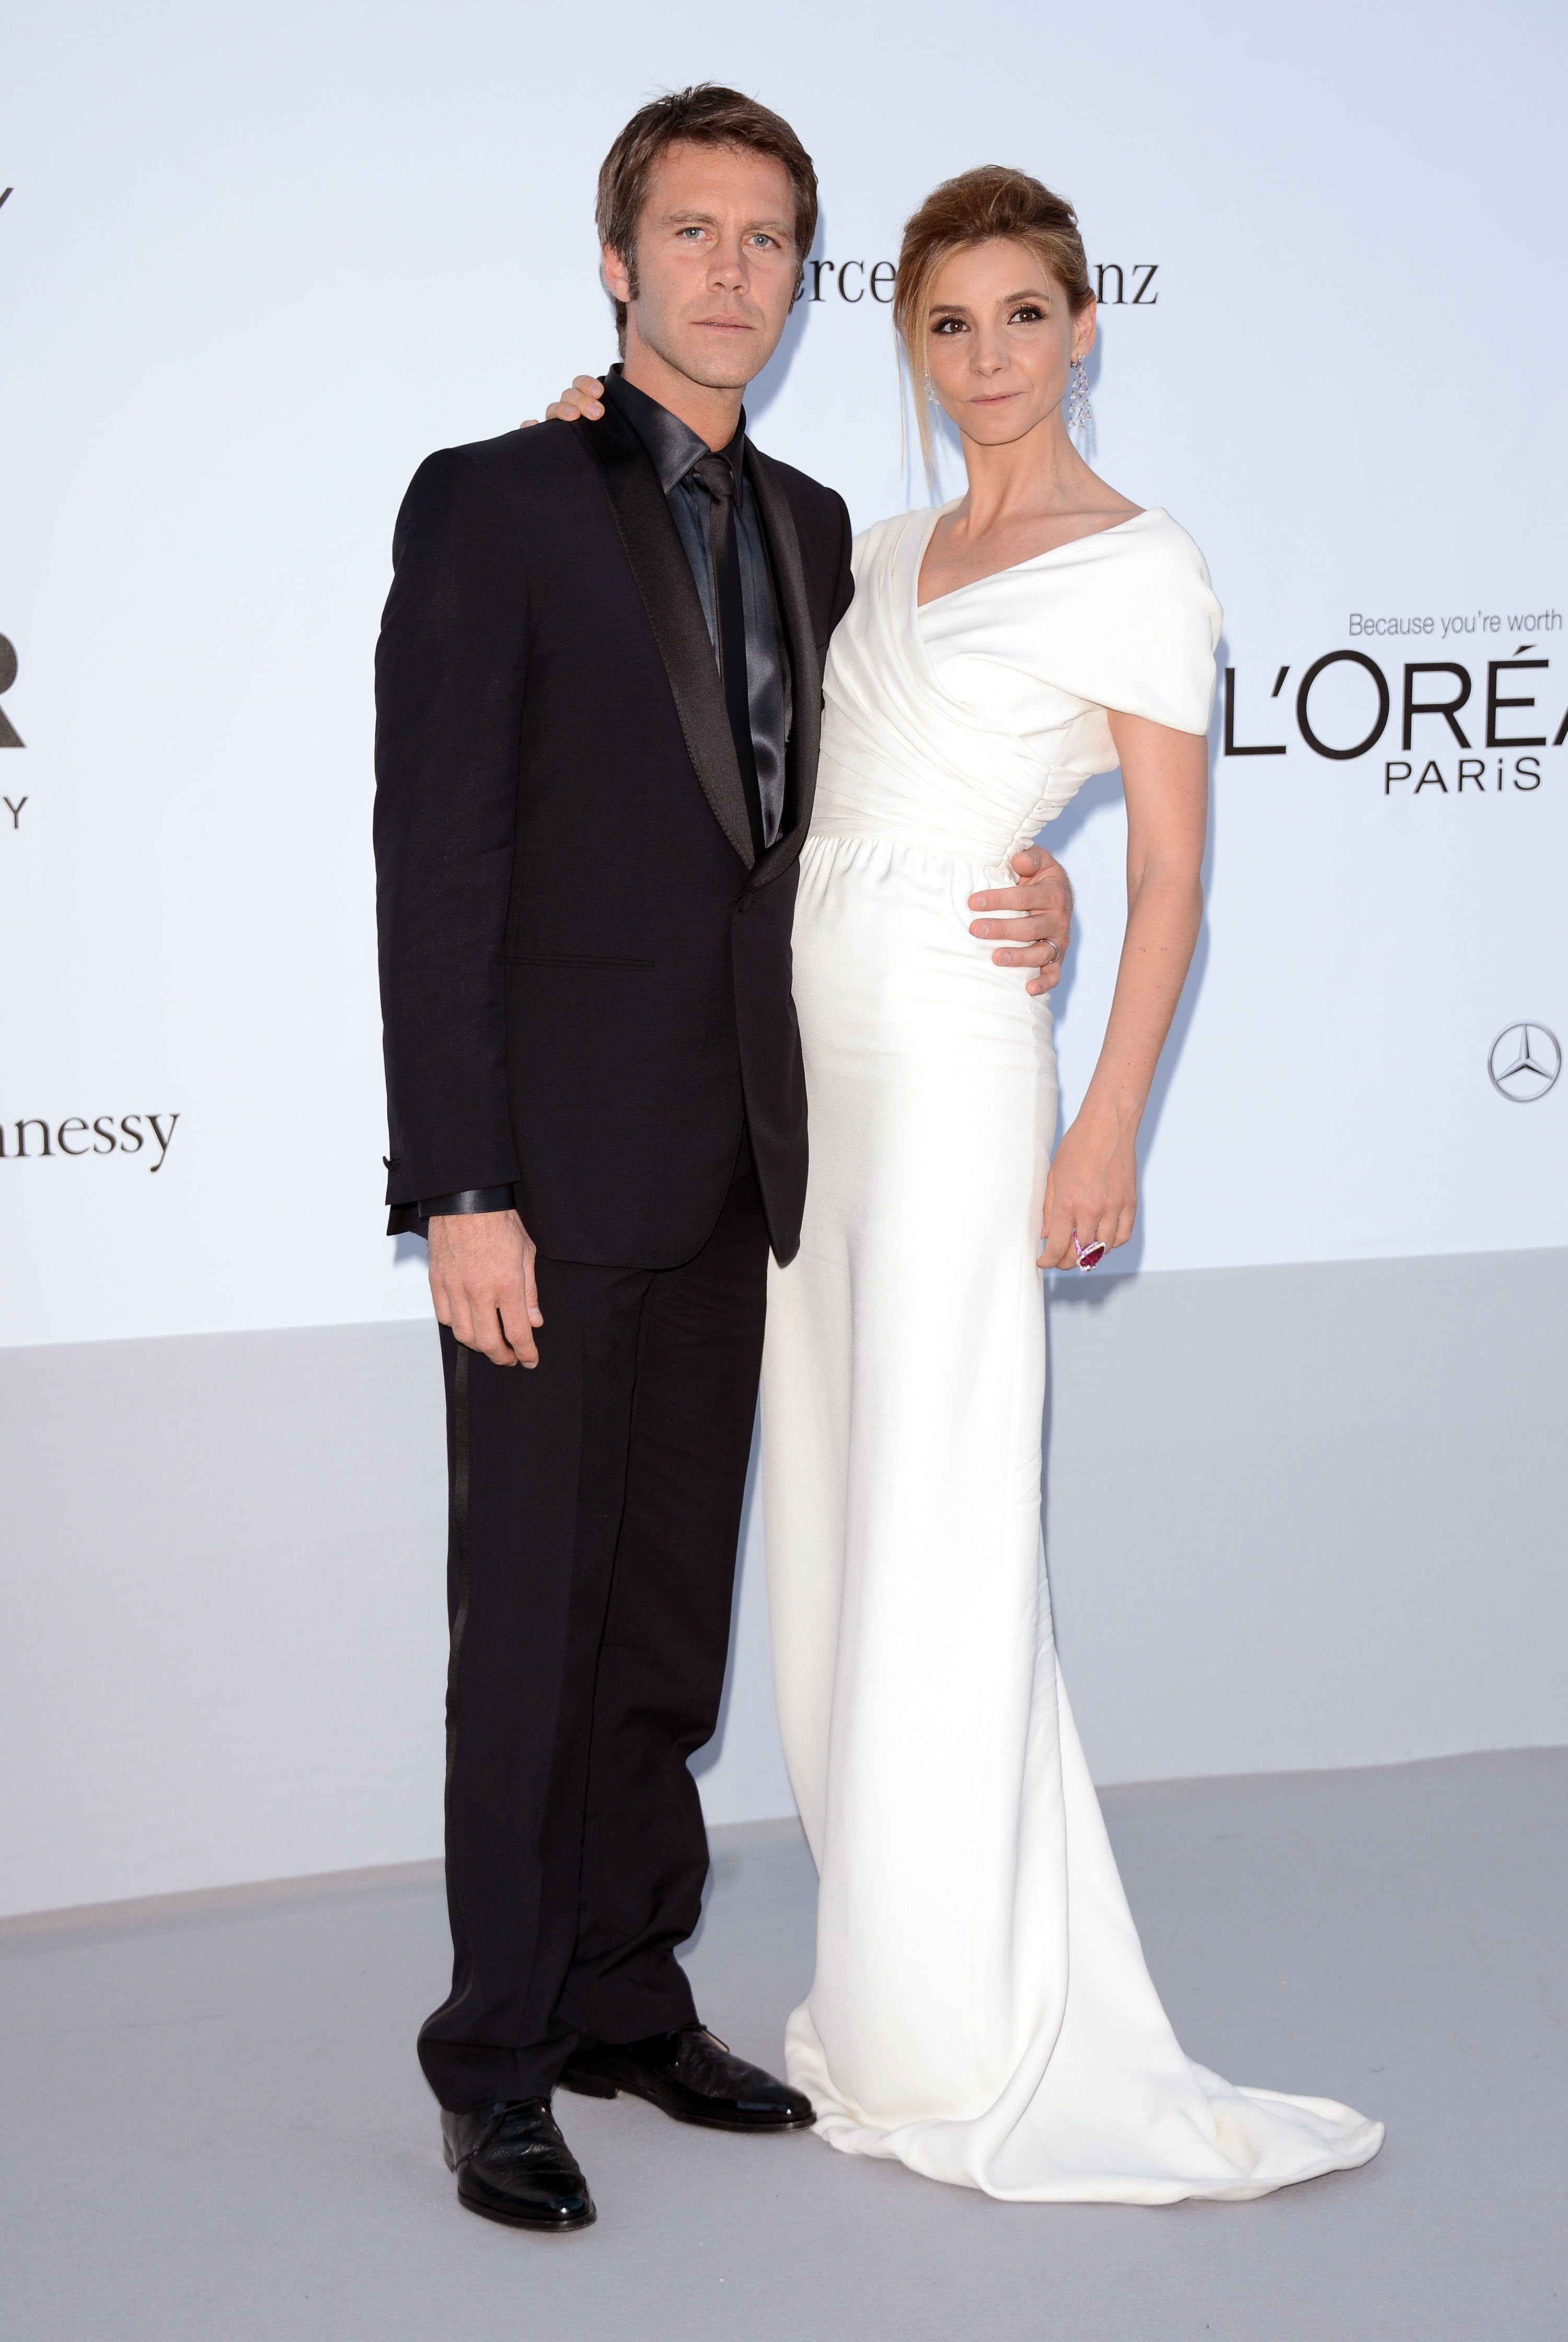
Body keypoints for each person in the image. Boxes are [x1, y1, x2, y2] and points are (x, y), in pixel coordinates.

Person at [549, 166, 1384, 2201]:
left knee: (940, 1513)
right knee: (837, 1511)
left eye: (1025, 317)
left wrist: (1103, 1118)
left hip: (948, 1062)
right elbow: (750, 698)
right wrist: (590, 440)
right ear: (906, 339)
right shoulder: (883, 540)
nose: (989, 357)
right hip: (803, 1073)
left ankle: (970, 2017)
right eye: (950, 323)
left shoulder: (1139, 562)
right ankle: (893, 1971)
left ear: (1085, 326)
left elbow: (1171, 870)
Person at [373, 93, 1073, 2234]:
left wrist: (1037, 900)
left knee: (665, 1632)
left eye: (769, 239)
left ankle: (623, 1991)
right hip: (548, 1185)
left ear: (800, 274)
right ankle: (494, 2056)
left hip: (749, 1173)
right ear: (619, 259)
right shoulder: (493, 498)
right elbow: (438, 860)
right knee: (534, 1636)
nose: (730, 273)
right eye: (691, 232)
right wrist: (458, 1181)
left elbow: (863, 820)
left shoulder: (830, 525)